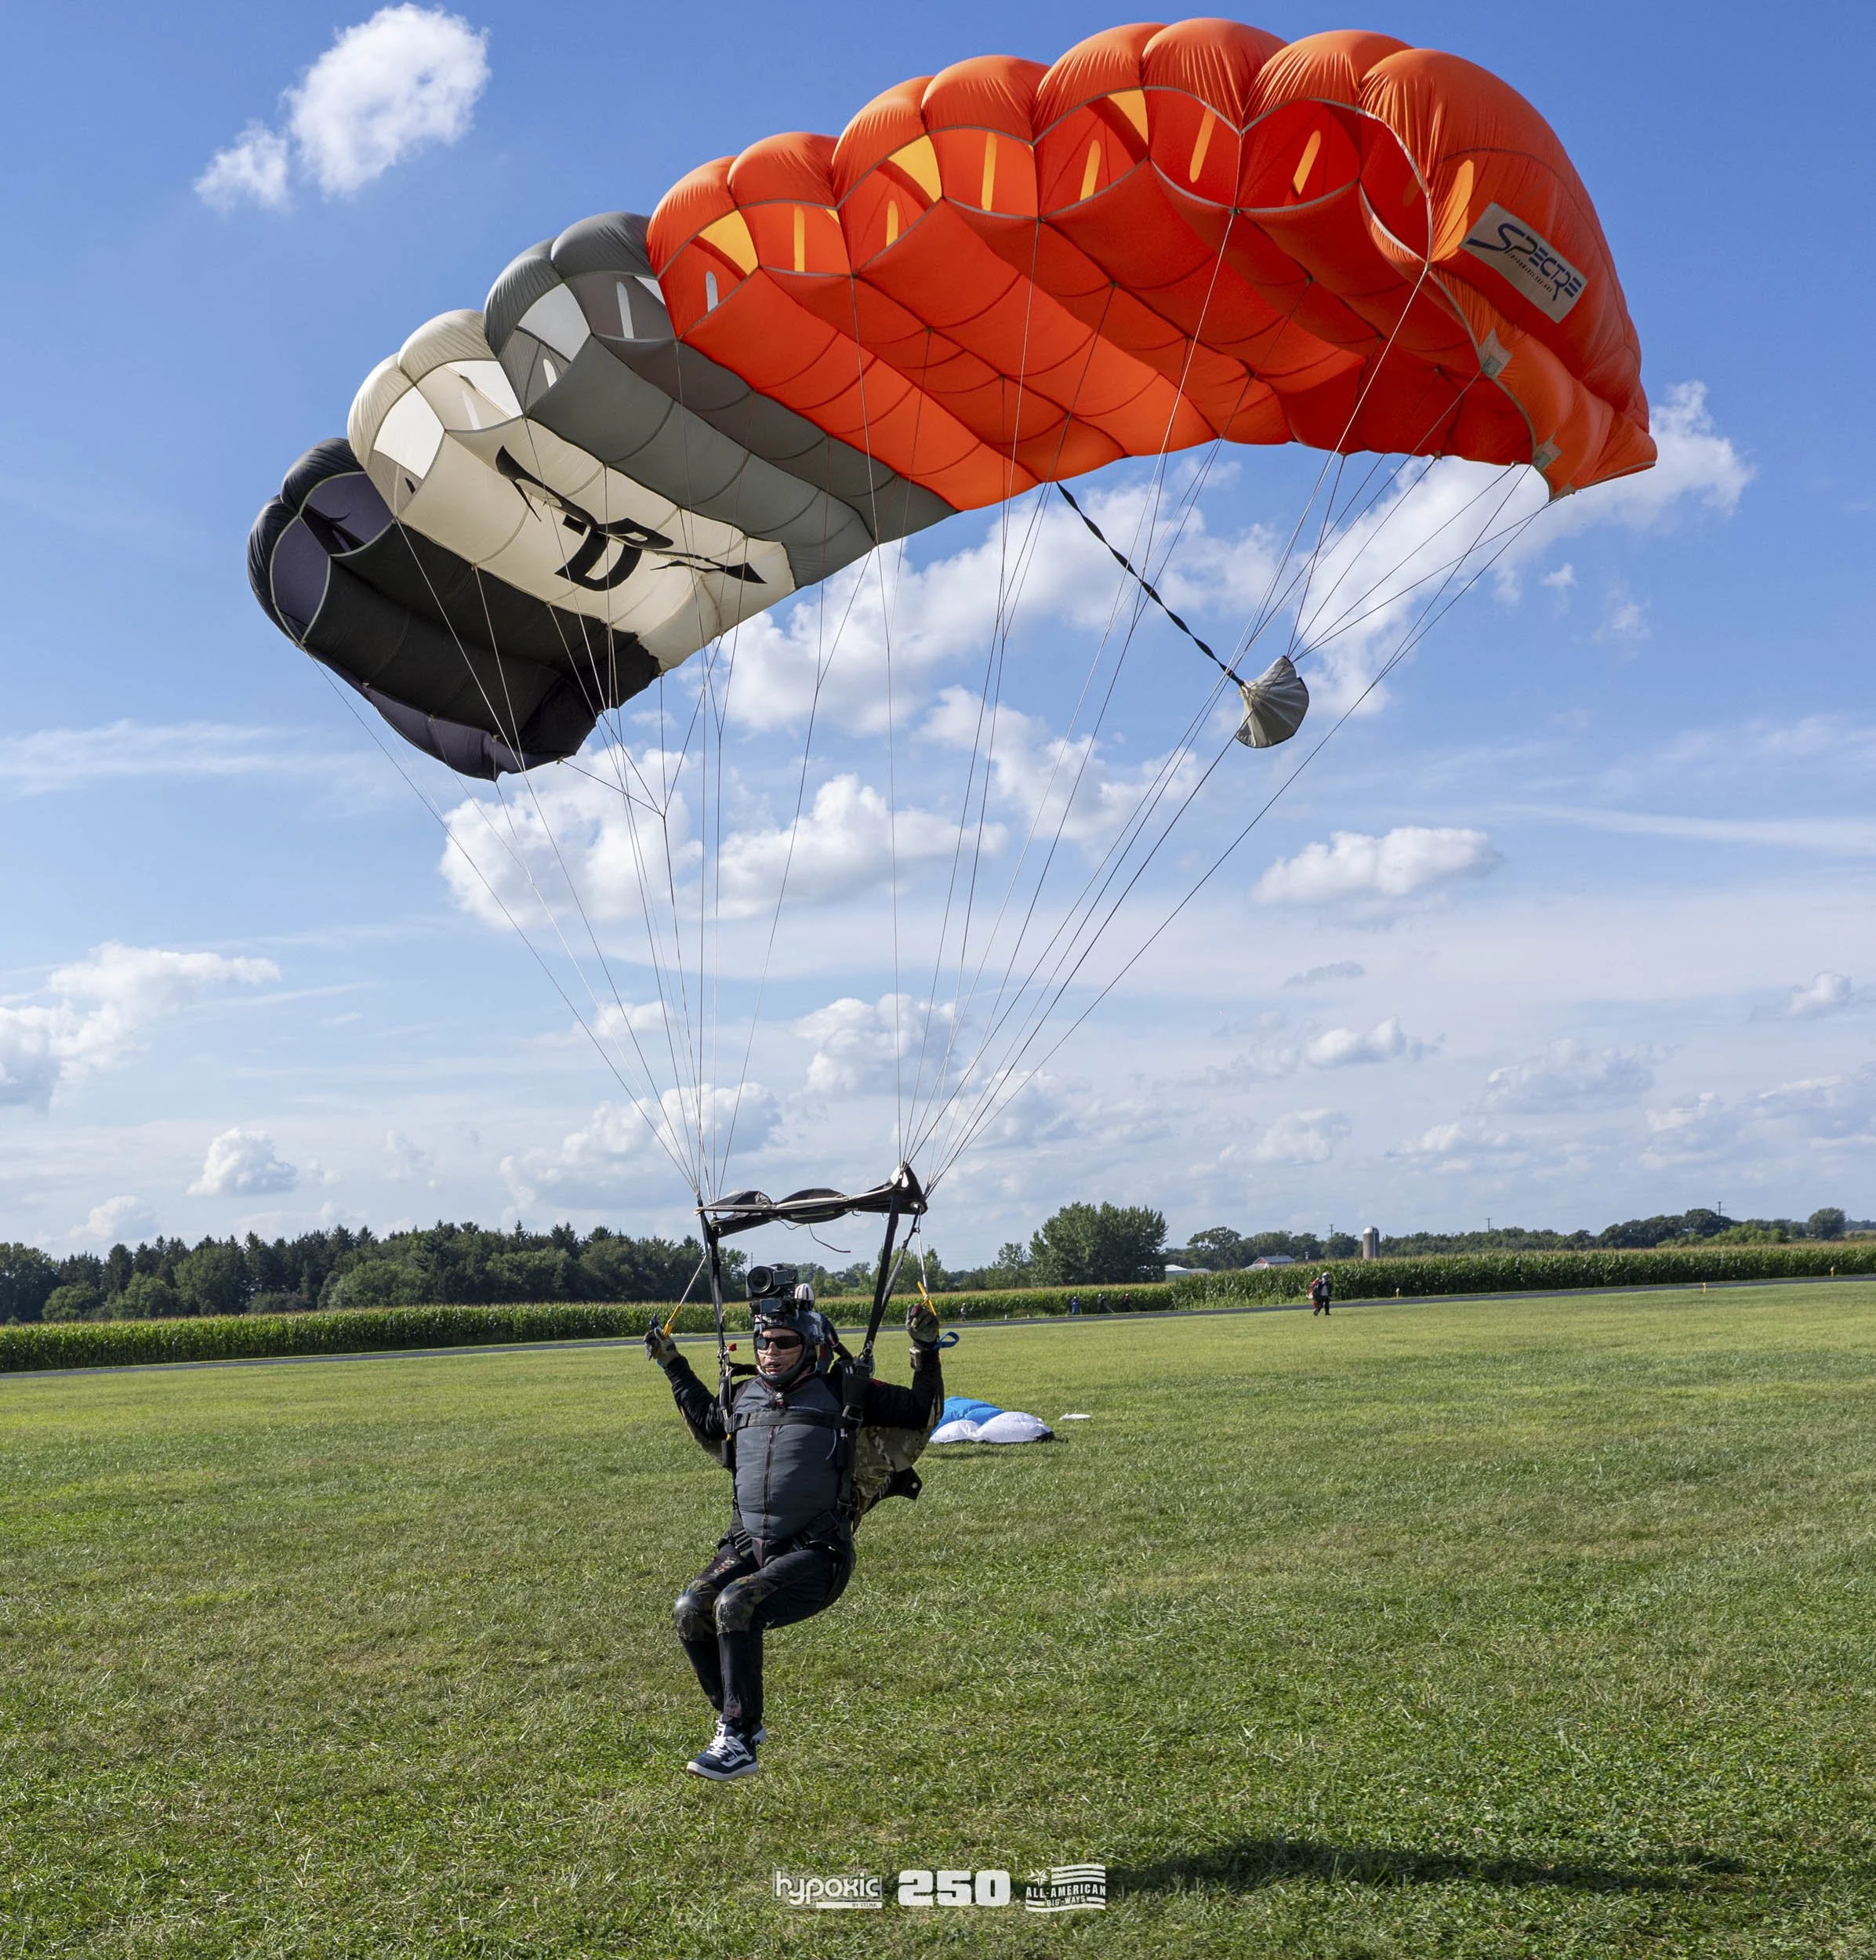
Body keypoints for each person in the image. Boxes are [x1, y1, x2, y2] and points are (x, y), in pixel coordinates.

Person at [644, 1280, 943, 1780]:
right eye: (763, 1342)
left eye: (784, 1342)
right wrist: (672, 1361)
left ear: (810, 1345)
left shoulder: (842, 1389)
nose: (771, 1352)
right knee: (690, 1609)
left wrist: (925, 1350)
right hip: (747, 1544)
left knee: (737, 1602)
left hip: (816, 1550)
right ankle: (735, 1719)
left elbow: (920, 1413)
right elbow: (703, 1415)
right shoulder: (744, 1396)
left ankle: (738, 1738)